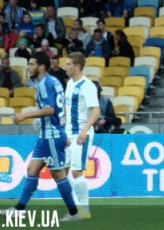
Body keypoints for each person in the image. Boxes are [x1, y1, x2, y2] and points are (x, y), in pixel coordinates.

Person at [5, 53, 82, 220]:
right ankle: (19, 209)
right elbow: (61, 108)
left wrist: (25, 115)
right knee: (32, 169)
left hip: (51, 136)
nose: (28, 67)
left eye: (32, 64)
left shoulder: (44, 84)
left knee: (58, 174)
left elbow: (50, 109)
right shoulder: (54, 81)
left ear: (41, 66)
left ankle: (74, 212)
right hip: (47, 135)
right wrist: (62, 130)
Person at [62, 52, 99, 217]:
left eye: (68, 64)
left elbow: (96, 111)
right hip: (68, 133)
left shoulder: (88, 86)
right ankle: (75, 209)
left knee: (76, 171)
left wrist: (84, 131)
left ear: (77, 66)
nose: (65, 67)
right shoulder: (69, 84)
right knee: (62, 172)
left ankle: (84, 209)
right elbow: (66, 107)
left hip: (81, 134)